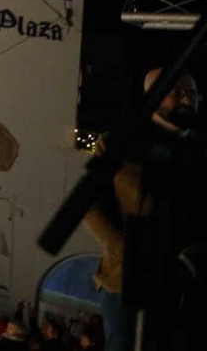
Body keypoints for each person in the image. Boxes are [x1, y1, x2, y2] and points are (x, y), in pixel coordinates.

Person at [82, 67, 202, 351]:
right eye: (176, 92)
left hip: (183, 284)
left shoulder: (200, 151)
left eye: (193, 94)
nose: (187, 100)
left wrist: (191, 258)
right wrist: (128, 250)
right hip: (125, 281)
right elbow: (91, 206)